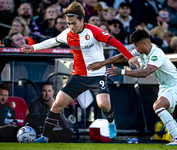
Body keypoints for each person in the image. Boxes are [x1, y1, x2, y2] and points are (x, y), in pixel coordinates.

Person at [21, 1, 140, 143]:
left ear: (82, 20)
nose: (71, 26)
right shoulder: (67, 33)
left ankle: (111, 122)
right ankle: (44, 138)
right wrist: (33, 48)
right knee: (57, 104)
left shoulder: (93, 31)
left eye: (73, 23)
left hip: (96, 76)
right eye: (68, 23)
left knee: (104, 105)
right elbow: (52, 41)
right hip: (77, 77)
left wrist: (130, 57)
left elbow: (115, 42)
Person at [88, 29, 177, 146]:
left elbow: (145, 73)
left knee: (158, 106)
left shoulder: (156, 54)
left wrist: (122, 72)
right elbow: (123, 56)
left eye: (136, 46)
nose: (136, 49)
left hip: (176, 86)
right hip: (165, 86)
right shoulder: (142, 50)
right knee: (166, 115)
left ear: (145, 43)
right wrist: (102, 63)